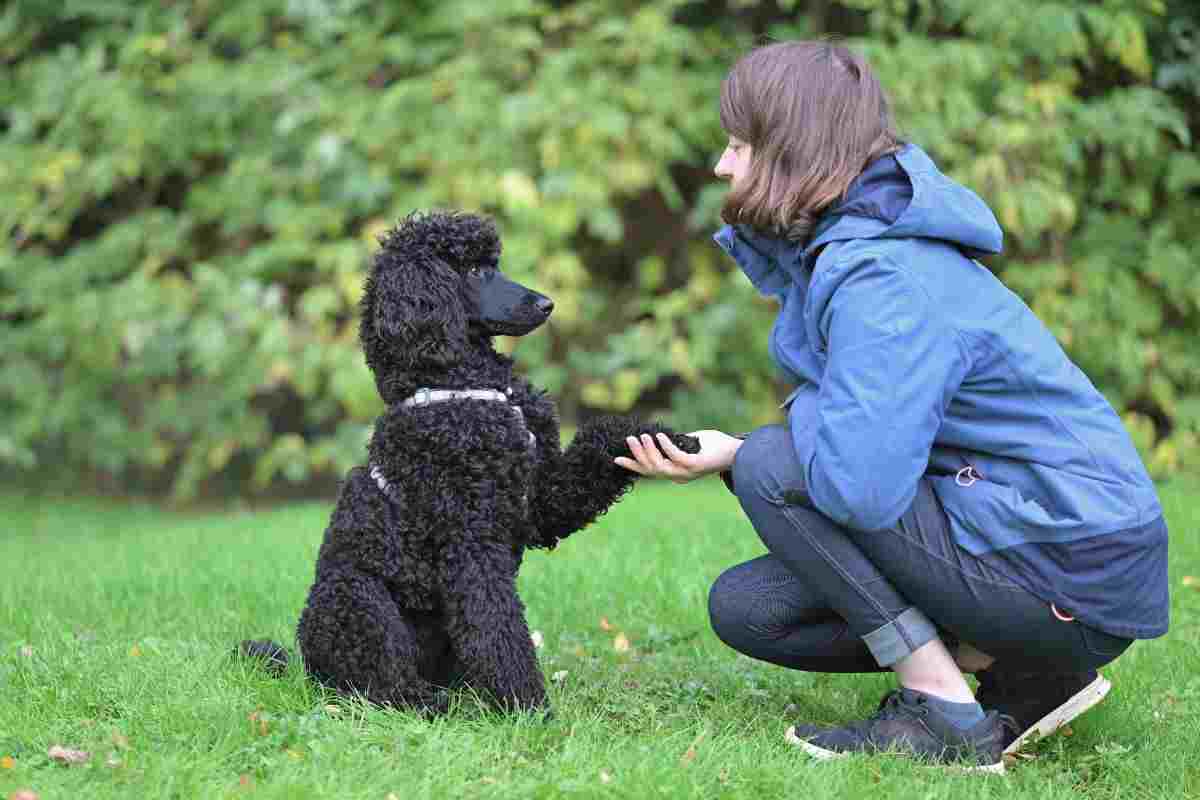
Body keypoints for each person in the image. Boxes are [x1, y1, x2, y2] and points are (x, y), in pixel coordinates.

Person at [614, 39, 1169, 773]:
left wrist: (754, 450)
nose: (722, 165)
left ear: (789, 150)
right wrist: (744, 450)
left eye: (739, 144)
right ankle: (1034, 676)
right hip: (1046, 544)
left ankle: (943, 709)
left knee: (775, 463)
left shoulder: (883, 276)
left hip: (1069, 567)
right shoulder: (858, 249)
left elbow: (858, 488)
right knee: (752, 608)